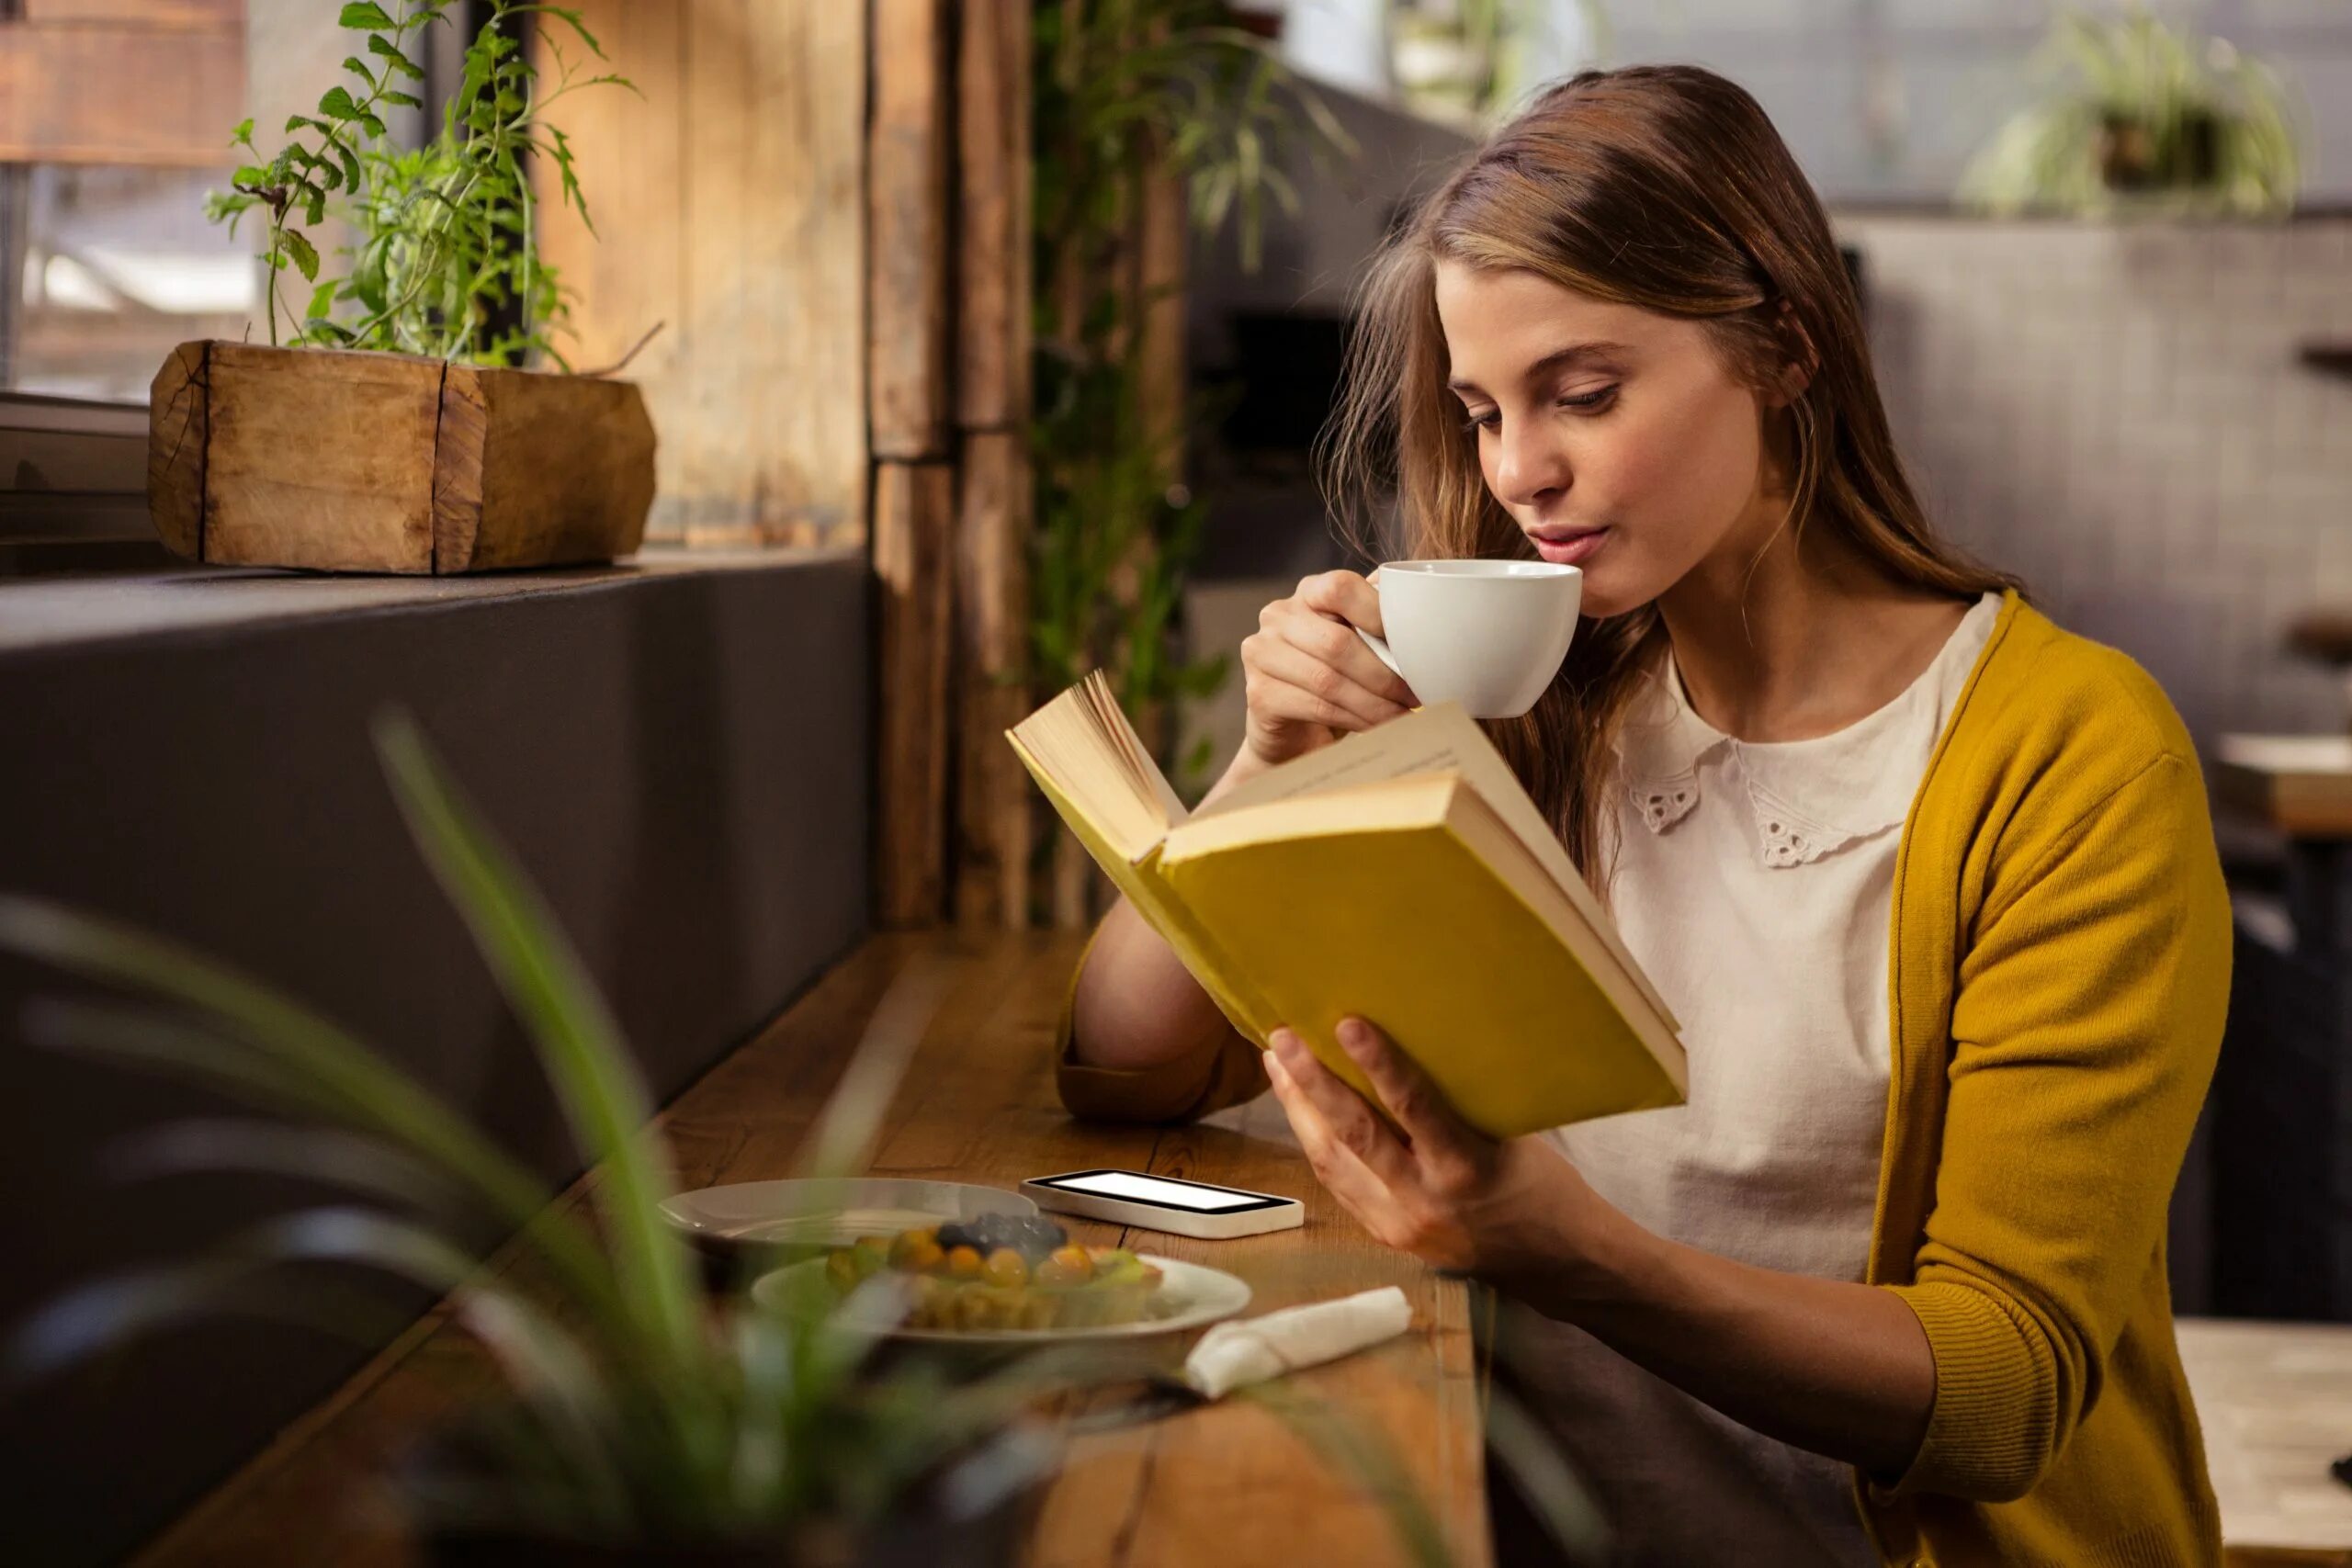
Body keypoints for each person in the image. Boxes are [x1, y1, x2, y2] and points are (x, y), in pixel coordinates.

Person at [1054, 64, 2229, 1568]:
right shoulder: (1539, 712)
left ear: (1785, 348)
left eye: (1584, 395)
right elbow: (1129, 1067)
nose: (1519, 472)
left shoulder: (2070, 759)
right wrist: (1263, 767)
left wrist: (1576, 1258)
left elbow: (2003, 1392)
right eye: (1483, 412)